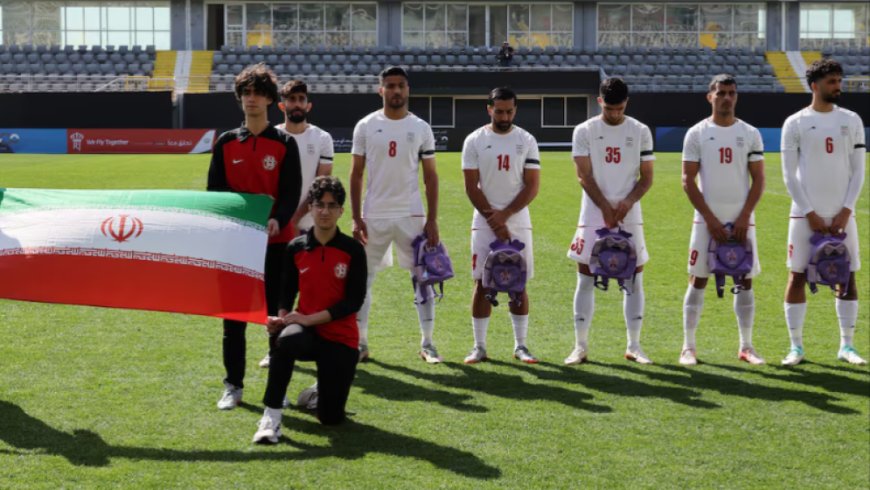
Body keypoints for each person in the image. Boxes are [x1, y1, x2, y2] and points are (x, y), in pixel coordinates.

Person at [207, 63, 302, 410]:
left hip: (277, 246)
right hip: (236, 245)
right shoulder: (226, 142)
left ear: (269, 99)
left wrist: (278, 219)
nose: (252, 99)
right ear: (240, 99)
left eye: (258, 93)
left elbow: (291, 192)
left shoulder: (284, 143)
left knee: (277, 320)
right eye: (246, 93)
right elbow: (214, 193)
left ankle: (278, 389)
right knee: (234, 321)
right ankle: (233, 385)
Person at [253, 176, 367, 444]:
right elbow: (286, 293)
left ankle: (315, 394)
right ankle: (271, 417)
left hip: (341, 338)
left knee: (330, 419)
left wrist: (308, 318)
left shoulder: (353, 250)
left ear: (341, 211)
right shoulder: (296, 247)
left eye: (332, 205)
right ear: (311, 208)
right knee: (285, 340)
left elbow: (353, 302)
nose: (325, 211)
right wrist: (281, 319)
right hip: (306, 333)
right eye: (319, 205)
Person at [350, 66, 443, 363]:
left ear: (408, 89)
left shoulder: (420, 127)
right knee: (363, 279)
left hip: (411, 215)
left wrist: (432, 219)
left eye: (400, 85)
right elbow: (356, 174)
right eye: (390, 86)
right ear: (381, 90)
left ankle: (428, 344)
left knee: (422, 278)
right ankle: (361, 343)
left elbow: (431, 177)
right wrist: (355, 217)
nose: (396, 91)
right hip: (374, 215)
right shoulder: (365, 125)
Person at [780, 58, 866, 366]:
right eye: (832, 82)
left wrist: (846, 209)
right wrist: (809, 212)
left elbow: (859, 171)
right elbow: (789, 175)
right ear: (814, 85)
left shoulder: (852, 120)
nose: (838, 86)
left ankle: (847, 346)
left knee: (849, 274)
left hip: (843, 214)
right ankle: (796, 347)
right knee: (797, 275)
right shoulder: (795, 122)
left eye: (839, 81)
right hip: (805, 216)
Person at [564, 77, 655, 365]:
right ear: (599, 101)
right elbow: (583, 175)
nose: (614, 113)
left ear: (626, 103)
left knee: (635, 275)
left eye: (619, 108)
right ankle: (580, 346)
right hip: (593, 211)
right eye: (609, 108)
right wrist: (604, 206)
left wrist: (626, 203)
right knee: (585, 274)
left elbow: (648, 176)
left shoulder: (640, 131)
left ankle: (634, 345)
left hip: (630, 212)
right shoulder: (585, 130)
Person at [679, 74, 766, 366]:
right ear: (710, 97)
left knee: (746, 279)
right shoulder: (696, 133)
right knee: (698, 278)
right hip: (706, 220)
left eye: (731, 93)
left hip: (742, 219)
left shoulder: (751, 133)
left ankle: (746, 346)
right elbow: (687, 180)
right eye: (721, 93)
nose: (727, 98)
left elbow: (759, 180)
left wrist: (744, 216)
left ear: (736, 97)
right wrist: (710, 219)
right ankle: (688, 347)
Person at [461, 87, 541, 364]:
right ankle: (479, 346)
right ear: (489, 109)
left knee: (518, 282)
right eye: (499, 111)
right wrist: (493, 219)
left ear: (515, 110)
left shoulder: (526, 140)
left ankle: (521, 345)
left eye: (509, 111)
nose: (504, 116)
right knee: (482, 282)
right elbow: (471, 187)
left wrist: (504, 216)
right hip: (483, 222)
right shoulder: (474, 140)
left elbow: (532, 186)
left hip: (517, 220)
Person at [259, 79, 335, 369]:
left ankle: (314, 346)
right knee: (277, 291)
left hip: (311, 226)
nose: (296, 104)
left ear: (309, 104)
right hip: (278, 227)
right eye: (291, 99)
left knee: (314, 290)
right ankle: (274, 347)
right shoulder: (271, 136)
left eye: (301, 99)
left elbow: (320, 184)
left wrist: (294, 217)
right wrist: (281, 219)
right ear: (281, 105)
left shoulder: (322, 138)